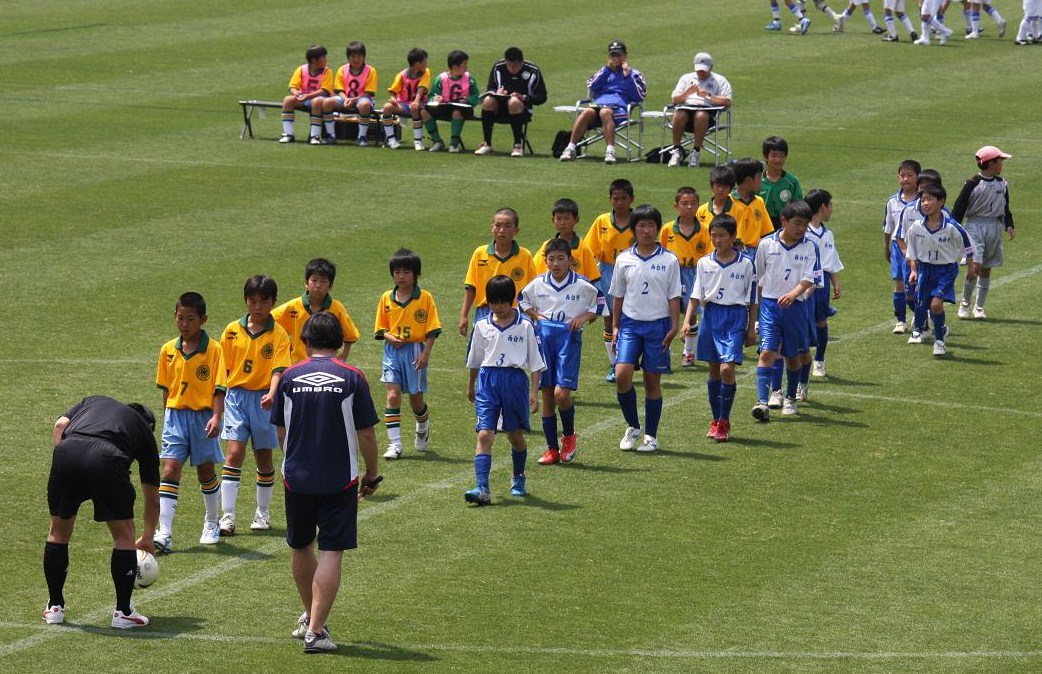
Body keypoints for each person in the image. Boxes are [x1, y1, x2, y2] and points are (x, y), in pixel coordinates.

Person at [270, 312, 381, 654]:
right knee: (331, 549)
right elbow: (365, 432)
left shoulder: (289, 377)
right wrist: (372, 473)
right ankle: (316, 631)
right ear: (338, 343)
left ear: (305, 342)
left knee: (301, 544)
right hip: (339, 478)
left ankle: (309, 616)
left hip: (296, 477)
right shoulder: (352, 377)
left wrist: (292, 459)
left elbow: (280, 430)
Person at [44, 396, 160, 629]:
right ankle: (123, 613)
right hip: (107, 459)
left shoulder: (94, 401)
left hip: (66, 454)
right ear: (149, 426)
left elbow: (59, 425)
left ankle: (54, 608)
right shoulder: (144, 433)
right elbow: (151, 494)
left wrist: (64, 461)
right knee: (125, 535)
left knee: (58, 532)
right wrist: (148, 536)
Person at [153, 292, 228, 553]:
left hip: (203, 417)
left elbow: (219, 388)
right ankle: (164, 533)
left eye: (191, 319)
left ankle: (211, 521)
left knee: (205, 471)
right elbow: (166, 389)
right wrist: (167, 416)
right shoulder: (167, 350)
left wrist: (217, 416)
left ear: (203, 319)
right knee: (170, 469)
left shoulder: (215, 349)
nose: (185, 324)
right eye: (180, 318)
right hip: (175, 416)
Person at [518, 238, 603, 465]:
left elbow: (600, 302)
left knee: (561, 394)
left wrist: (583, 317)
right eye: (551, 259)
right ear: (545, 261)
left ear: (570, 261)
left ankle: (568, 436)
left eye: (560, 258)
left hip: (568, 340)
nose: (556, 263)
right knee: (547, 396)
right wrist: (536, 316)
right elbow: (522, 301)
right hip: (544, 340)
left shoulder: (582, 284)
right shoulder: (538, 284)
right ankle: (552, 449)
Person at [219, 275, 292, 536]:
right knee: (234, 453)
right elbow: (222, 368)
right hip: (237, 397)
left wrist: (272, 393)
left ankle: (262, 513)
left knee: (263, 456)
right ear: (245, 301)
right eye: (253, 301)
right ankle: (227, 517)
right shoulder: (231, 330)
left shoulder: (279, 334)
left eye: (264, 301)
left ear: (273, 302)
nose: (258, 306)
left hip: (263, 400)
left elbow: (279, 369)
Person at [464, 275, 545, 505]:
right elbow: (475, 360)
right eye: (493, 302)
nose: (497, 307)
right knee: (484, 433)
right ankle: (482, 487)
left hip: (514, 382)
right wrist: (471, 386)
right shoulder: (481, 326)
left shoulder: (526, 326)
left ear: (512, 301)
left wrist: (534, 392)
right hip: (488, 381)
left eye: (502, 302)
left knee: (515, 435)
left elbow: (537, 362)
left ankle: (518, 476)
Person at [611, 205, 682, 453]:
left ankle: (651, 436)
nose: (646, 230)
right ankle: (633, 426)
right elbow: (618, 295)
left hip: (658, 326)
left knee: (652, 381)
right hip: (630, 325)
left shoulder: (669, 259)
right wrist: (616, 326)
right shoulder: (623, 259)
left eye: (651, 225)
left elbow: (674, 295)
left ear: (658, 228)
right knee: (622, 375)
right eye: (641, 225)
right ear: (634, 229)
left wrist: (674, 325)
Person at [681, 214, 757, 443]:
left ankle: (724, 419)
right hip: (711, 316)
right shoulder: (704, 262)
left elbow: (752, 298)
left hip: (734, 317)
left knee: (726, 370)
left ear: (733, 237)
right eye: (713, 235)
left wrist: (751, 328)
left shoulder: (745, 263)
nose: (717, 240)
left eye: (722, 235)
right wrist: (687, 320)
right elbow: (696, 294)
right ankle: (716, 420)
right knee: (714, 370)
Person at [752, 200, 821, 421]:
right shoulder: (766, 245)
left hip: (796, 308)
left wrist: (792, 294)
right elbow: (758, 278)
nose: (801, 229)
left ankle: (790, 398)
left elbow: (810, 278)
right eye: (797, 223)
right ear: (784, 221)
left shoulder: (810, 246)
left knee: (793, 357)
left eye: (805, 225)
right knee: (767, 353)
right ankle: (762, 401)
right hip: (771, 308)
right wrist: (756, 312)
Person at [374, 248, 442, 460]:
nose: (400, 277)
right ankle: (395, 444)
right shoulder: (386, 298)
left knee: (416, 400)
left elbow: (432, 330)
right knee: (392, 395)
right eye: (397, 272)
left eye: (405, 272)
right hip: (392, 352)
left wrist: (426, 354)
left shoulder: (425, 298)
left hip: (415, 351)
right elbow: (381, 328)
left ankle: (423, 425)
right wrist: (388, 337)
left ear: (415, 274)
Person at [905, 184, 974, 356]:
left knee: (936, 304)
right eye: (923, 200)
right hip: (925, 270)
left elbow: (968, 246)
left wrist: (971, 268)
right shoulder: (916, 228)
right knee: (922, 303)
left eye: (929, 199)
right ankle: (940, 329)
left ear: (941, 202)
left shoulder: (952, 227)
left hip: (946, 271)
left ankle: (939, 342)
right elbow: (912, 250)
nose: (925, 203)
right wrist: (914, 270)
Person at [558, 41, 647, 164]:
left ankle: (610, 151)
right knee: (587, 112)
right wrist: (606, 70)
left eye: (619, 55)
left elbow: (640, 95)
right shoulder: (604, 71)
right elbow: (591, 86)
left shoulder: (635, 74)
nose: (616, 58)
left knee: (605, 112)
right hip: (599, 106)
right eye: (613, 55)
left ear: (625, 56)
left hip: (620, 109)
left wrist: (628, 77)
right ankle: (570, 148)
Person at [952, 145, 1015, 321]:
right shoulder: (972, 183)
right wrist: (953, 228)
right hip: (974, 227)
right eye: (999, 161)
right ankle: (964, 304)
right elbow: (959, 207)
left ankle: (979, 308)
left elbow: (1005, 207)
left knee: (986, 269)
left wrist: (1008, 224)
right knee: (975, 267)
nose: (1002, 164)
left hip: (994, 228)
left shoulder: (1002, 183)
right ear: (990, 163)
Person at [583, 179, 636, 383]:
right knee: (609, 318)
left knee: (631, 315)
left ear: (631, 199)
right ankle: (615, 363)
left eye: (624, 198)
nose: (620, 202)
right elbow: (589, 251)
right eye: (616, 198)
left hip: (632, 272)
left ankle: (631, 355)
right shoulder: (602, 221)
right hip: (607, 271)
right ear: (610, 200)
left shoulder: (638, 219)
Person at [459, 207, 536, 339]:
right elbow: (471, 287)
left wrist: (534, 315)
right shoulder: (480, 253)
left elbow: (533, 289)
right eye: (498, 225)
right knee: (481, 354)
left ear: (516, 230)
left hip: (515, 312)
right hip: (485, 311)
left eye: (507, 226)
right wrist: (464, 315)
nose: (501, 230)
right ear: (492, 227)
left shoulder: (525, 255)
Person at [273, 258, 360, 364]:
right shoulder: (293, 307)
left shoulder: (337, 308)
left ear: (330, 285)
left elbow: (350, 336)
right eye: (314, 280)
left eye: (323, 281)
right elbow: (270, 320)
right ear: (306, 282)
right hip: (298, 365)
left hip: (327, 366)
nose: (318, 285)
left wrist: (343, 357)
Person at [659, 186, 707, 366]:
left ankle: (688, 351)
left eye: (693, 203)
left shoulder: (705, 229)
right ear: (676, 206)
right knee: (666, 310)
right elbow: (662, 251)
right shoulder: (667, 229)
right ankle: (664, 348)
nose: (689, 207)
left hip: (694, 272)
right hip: (672, 272)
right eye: (684, 203)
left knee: (691, 312)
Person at [475, 47, 548, 157]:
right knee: (488, 101)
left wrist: (524, 98)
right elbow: (490, 87)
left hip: (521, 110)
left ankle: (517, 145)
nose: (512, 69)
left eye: (516, 66)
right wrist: (497, 92)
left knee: (513, 101)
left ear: (522, 62)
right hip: (500, 107)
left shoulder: (532, 70)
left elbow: (542, 96)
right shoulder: (498, 67)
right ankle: (487, 144)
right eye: (509, 66)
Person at [665, 52, 733, 169]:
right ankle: (676, 150)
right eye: (699, 70)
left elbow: (727, 101)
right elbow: (675, 100)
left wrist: (708, 95)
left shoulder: (720, 80)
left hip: (708, 114)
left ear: (711, 67)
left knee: (700, 115)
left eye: (704, 70)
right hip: (687, 110)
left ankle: (696, 152)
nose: (701, 73)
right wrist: (688, 93)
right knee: (679, 114)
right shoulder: (686, 78)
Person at [804, 189, 843, 380]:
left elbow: (831, 260)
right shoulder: (803, 232)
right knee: (802, 323)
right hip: (804, 284)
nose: (832, 210)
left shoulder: (828, 234)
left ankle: (819, 360)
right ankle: (801, 362)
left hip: (823, 285)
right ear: (823, 207)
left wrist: (836, 282)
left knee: (821, 321)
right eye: (831, 205)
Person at [883, 159, 921, 334]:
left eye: (909, 175)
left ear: (918, 177)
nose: (905, 179)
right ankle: (900, 320)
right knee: (898, 282)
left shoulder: (924, 201)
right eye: (902, 175)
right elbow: (888, 227)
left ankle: (922, 313)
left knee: (914, 285)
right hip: (898, 247)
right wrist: (886, 247)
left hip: (918, 247)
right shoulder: (892, 202)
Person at [318, 41, 378, 147]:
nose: (356, 59)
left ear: (364, 57)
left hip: (362, 99)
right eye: (353, 56)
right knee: (327, 102)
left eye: (359, 56)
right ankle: (330, 135)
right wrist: (346, 99)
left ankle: (362, 137)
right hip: (345, 99)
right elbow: (339, 89)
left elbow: (368, 93)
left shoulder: (370, 71)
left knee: (364, 105)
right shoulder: (342, 69)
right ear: (348, 58)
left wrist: (352, 100)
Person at [422, 50, 480, 153]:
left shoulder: (469, 78)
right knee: (424, 112)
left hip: (464, 109)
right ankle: (437, 141)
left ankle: (454, 144)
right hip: (445, 108)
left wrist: (468, 100)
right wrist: (434, 99)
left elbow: (476, 97)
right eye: (464, 65)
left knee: (457, 112)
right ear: (455, 67)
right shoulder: (440, 79)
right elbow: (431, 96)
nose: (466, 67)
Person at [532, 198, 601, 282]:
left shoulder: (583, 248)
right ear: (553, 220)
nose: (562, 222)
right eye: (559, 218)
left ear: (576, 220)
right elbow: (536, 273)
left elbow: (593, 279)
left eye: (566, 218)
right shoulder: (546, 246)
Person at [279, 45, 334, 145]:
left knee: (316, 101)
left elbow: (324, 91)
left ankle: (315, 136)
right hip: (304, 98)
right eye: (324, 57)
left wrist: (307, 96)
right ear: (314, 60)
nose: (326, 59)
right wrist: (296, 93)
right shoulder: (301, 69)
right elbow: (292, 86)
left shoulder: (327, 72)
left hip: (320, 99)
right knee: (287, 100)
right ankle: (288, 134)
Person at [380, 48, 431, 151]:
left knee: (414, 107)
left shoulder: (426, 72)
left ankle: (418, 141)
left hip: (420, 104)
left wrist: (416, 101)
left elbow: (421, 89)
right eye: (425, 61)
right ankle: (391, 140)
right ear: (417, 64)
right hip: (403, 104)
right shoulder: (402, 75)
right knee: (387, 107)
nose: (427, 63)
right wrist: (393, 99)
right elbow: (393, 91)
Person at [730, 158, 775, 254]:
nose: (761, 180)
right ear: (748, 180)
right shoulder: (729, 202)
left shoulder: (759, 201)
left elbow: (767, 232)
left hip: (756, 252)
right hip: (735, 252)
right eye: (759, 177)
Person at [759, 136, 803, 231]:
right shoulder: (758, 181)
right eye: (774, 155)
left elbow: (798, 206)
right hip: (762, 225)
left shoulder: (792, 181)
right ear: (765, 156)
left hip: (785, 225)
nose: (778, 160)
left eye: (781, 156)